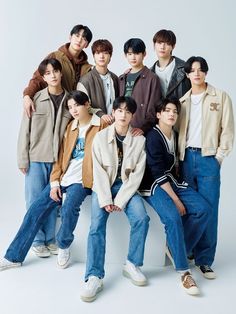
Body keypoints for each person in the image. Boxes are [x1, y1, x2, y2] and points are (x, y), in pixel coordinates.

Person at [0, 91, 107, 271]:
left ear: (87, 104)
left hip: (83, 181)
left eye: (77, 106)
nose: (73, 110)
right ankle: (14, 256)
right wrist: (55, 182)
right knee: (35, 209)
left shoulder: (101, 126)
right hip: (64, 178)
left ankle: (63, 245)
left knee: (68, 207)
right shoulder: (70, 127)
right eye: (70, 107)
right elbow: (60, 158)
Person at [81, 96, 150, 302]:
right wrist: (106, 198)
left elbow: (137, 174)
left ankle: (132, 264)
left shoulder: (140, 140)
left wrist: (120, 200)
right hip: (103, 186)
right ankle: (94, 275)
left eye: (128, 112)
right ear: (114, 112)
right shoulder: (100, 137)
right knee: (96, 226)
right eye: (119, 111)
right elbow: (98, 172)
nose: (123, 115)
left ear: (132, 116)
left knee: (141, 218)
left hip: (126, 187)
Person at [139, 97, 211, 295]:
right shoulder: (152, 136)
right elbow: (156, 172)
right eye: (167, 110)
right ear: (159, 114)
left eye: (175, 111)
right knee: (173, 217)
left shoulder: (176, 134)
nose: (172, 114)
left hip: (172, 181)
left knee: (203, 209)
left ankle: (176, 247)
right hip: (153, 184)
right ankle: (184, 272)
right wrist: (176, 200)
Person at [177, 56, 234, 279]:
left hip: (208, 158)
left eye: (200, 70)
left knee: (210, 209)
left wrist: (218, 158)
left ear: (206, 73)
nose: (197, 74)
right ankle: (188, 250)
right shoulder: (182, 102)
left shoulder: (220, 97)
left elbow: (227, 129)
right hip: (186, 160)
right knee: (189, 208)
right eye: (192, 70)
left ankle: (205, 260)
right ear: (188, 75)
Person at [17, 58, 72, 257]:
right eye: (48, 73)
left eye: (55, 71)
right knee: (33, 201)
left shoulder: (69, 101)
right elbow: (25, 131)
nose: (53, 75)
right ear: (43, 77)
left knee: (53, 201)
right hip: (36, 158)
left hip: (58, 161)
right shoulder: (35, 99)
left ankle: (50, 239)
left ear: (61, 73)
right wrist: (23, 159)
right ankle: (37, 240)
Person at [23, 24, 93, 117]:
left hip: (73, 113)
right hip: (52, 108)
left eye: (84, 38)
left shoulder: (87, 67)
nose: (79, 40)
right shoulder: (55, 56)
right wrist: (27, 96)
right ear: (70, 37)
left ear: (87, 45)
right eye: (77, 35)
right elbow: (38, 79)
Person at [119, 38, 161, 135]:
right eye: (130, 54)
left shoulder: (152, 78)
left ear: (144, 54)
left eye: (137, 53)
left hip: (140, 130)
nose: (133, 57)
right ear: (125, 55)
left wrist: (144, 128)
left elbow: (153, 107)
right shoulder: (122, 78)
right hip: (122, 128)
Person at [77, 39, 119, 124]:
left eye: (105, 53)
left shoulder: (115, 78)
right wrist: (101, 114)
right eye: (98, 53)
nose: (101, 56)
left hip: (114, 125)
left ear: (110, 56)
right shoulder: (85, 81)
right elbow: (82, 106)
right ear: (94, 56)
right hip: (94, 125)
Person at [150, 29, 191, 99]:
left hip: (181, 109)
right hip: (159, 110)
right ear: (154, 45)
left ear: (173, 46)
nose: (162, 47)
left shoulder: (184, 68)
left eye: (167, 44)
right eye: (159, 43)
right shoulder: (149, 72)